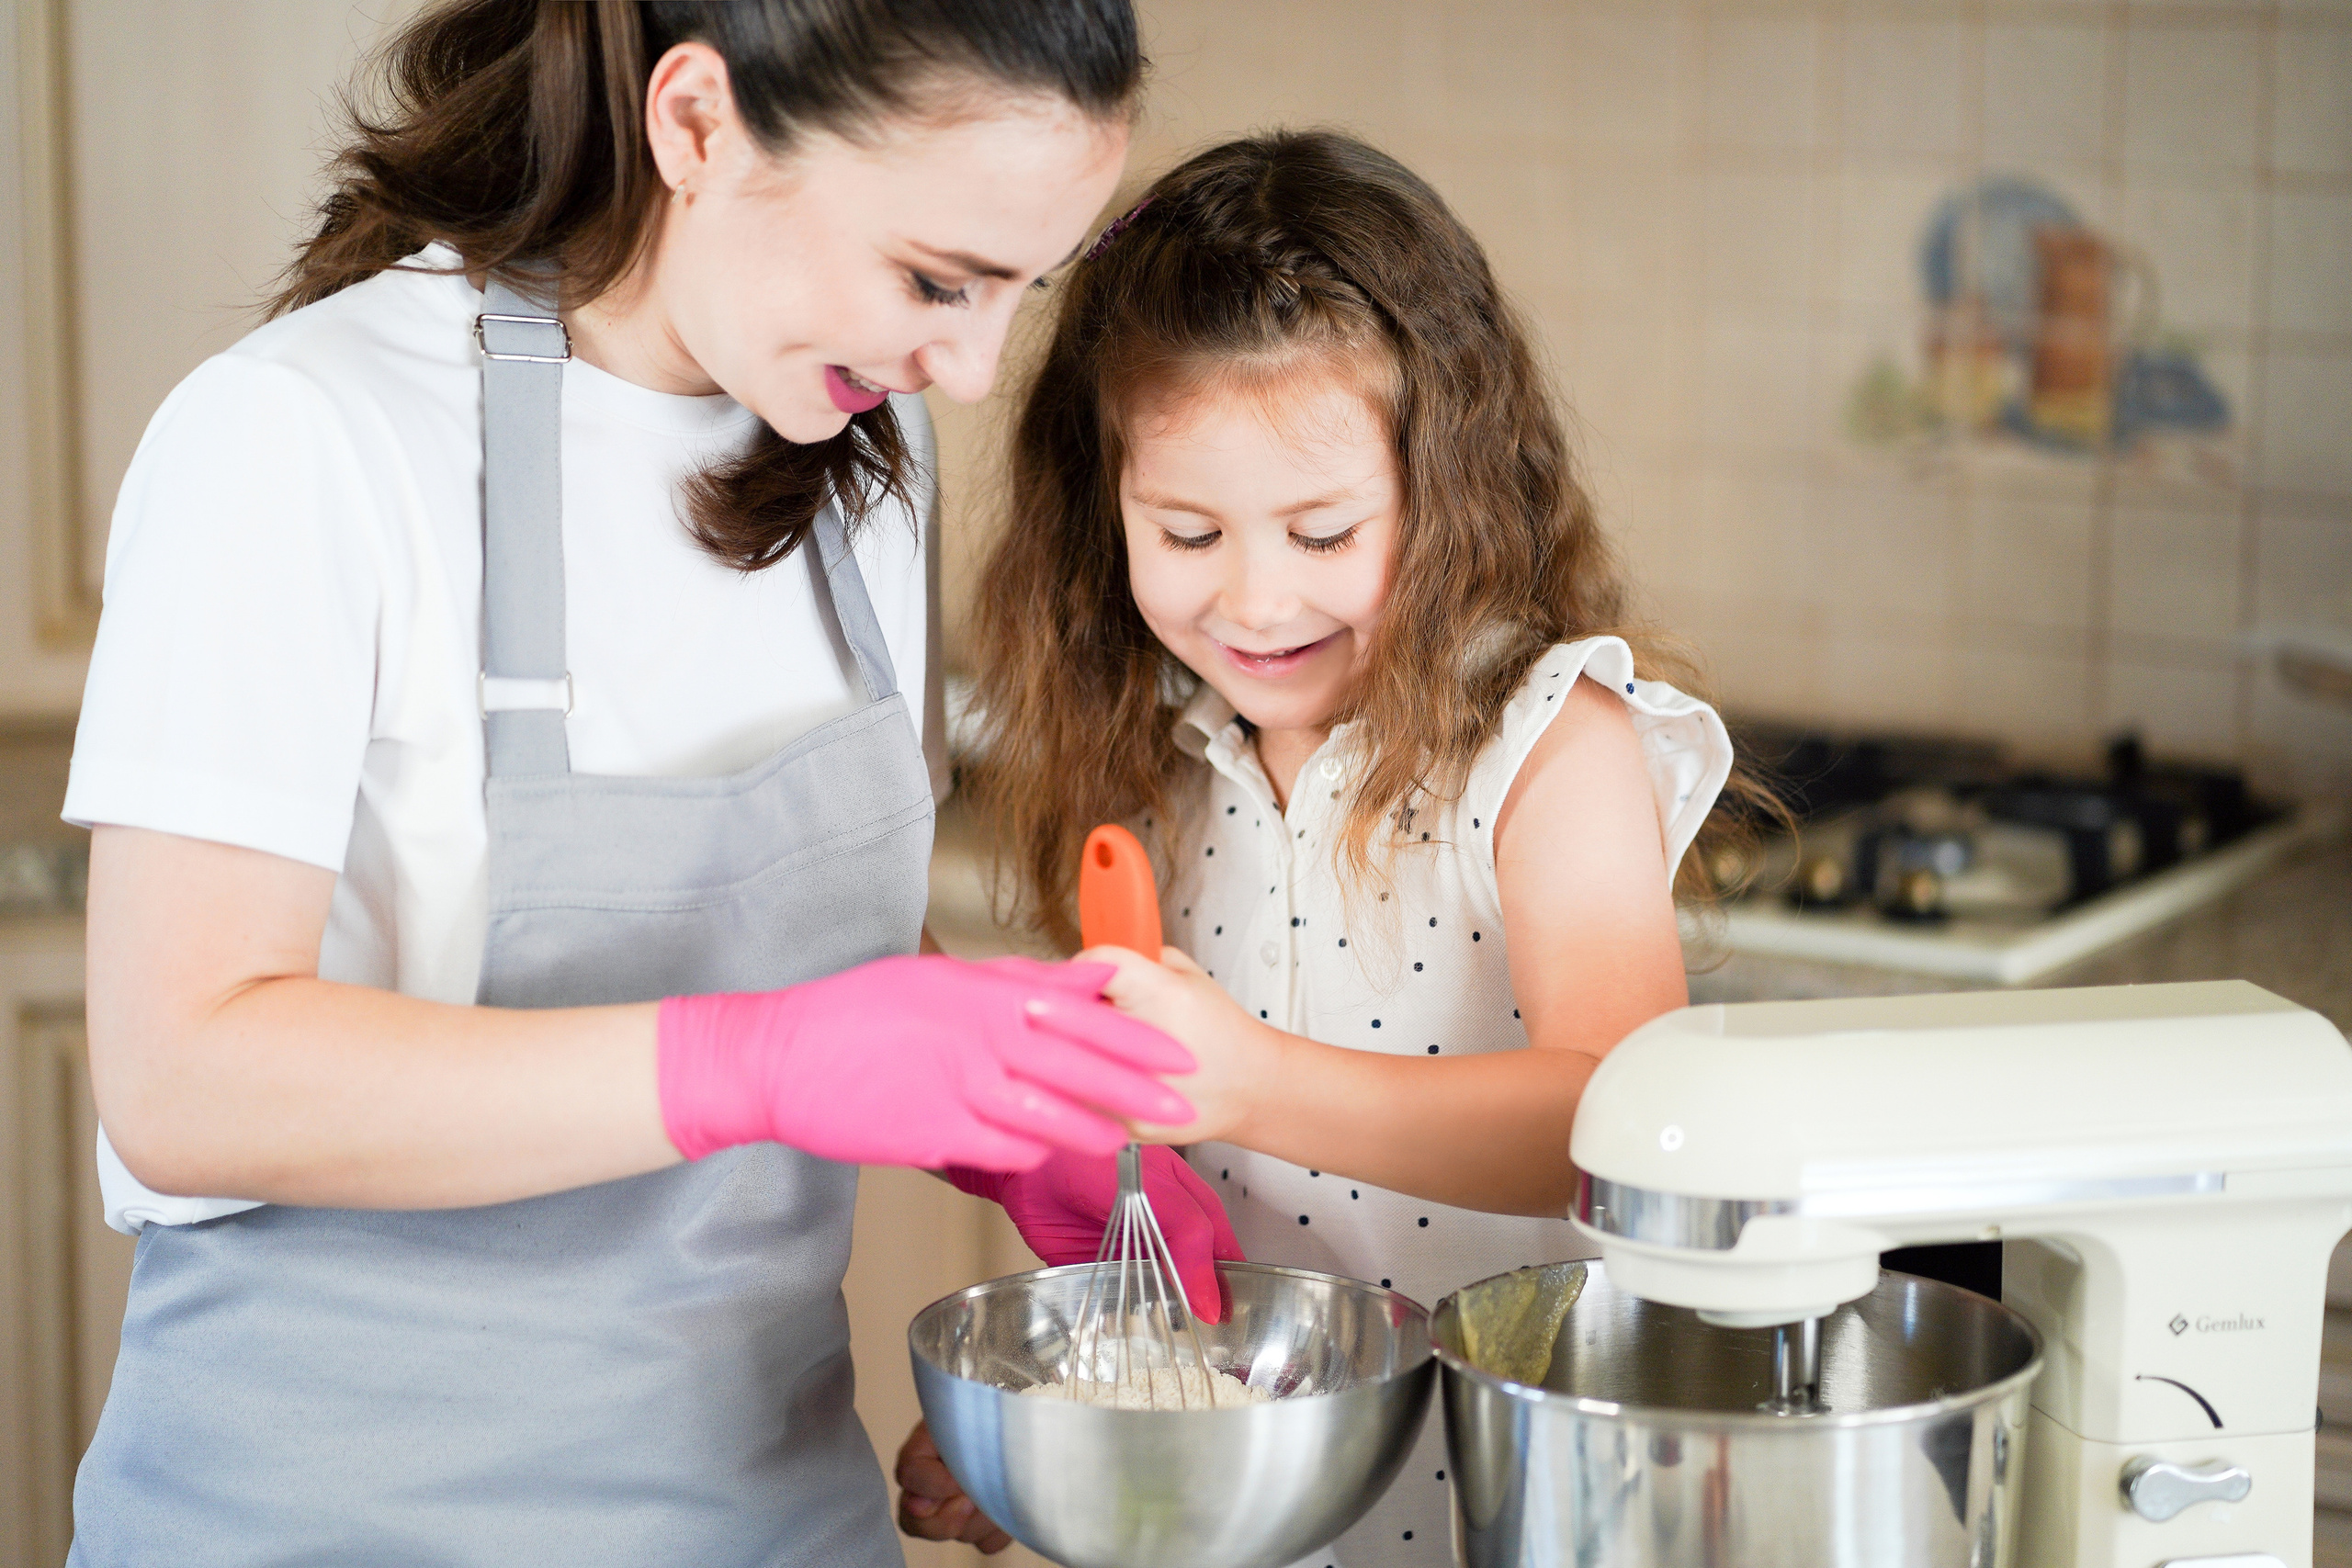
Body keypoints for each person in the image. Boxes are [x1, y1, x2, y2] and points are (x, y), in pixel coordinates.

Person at [62, 2, 1207, 1562]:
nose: (980, 363)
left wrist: (1006, 1107)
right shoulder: (299, 435)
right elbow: (184, 1076)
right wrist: (757, 1063)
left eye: (1024, 287)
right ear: (694, 125)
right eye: (937, 278)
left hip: (768, 1515)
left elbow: (792, 961)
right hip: (343, 1523)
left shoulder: (867, 447)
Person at [897, 130, 1778, 1565]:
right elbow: (1168, 1193)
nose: (1254, 598)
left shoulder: (1553, 746)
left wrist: (1249, 1082)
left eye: (1321, 531)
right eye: (1186, 532)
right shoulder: (1148, 758)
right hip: (1252, 1518)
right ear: (1102, 505)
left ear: (1447, 489)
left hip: (1507, 1506)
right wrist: (1096, 1399)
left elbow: (1619, 1123)